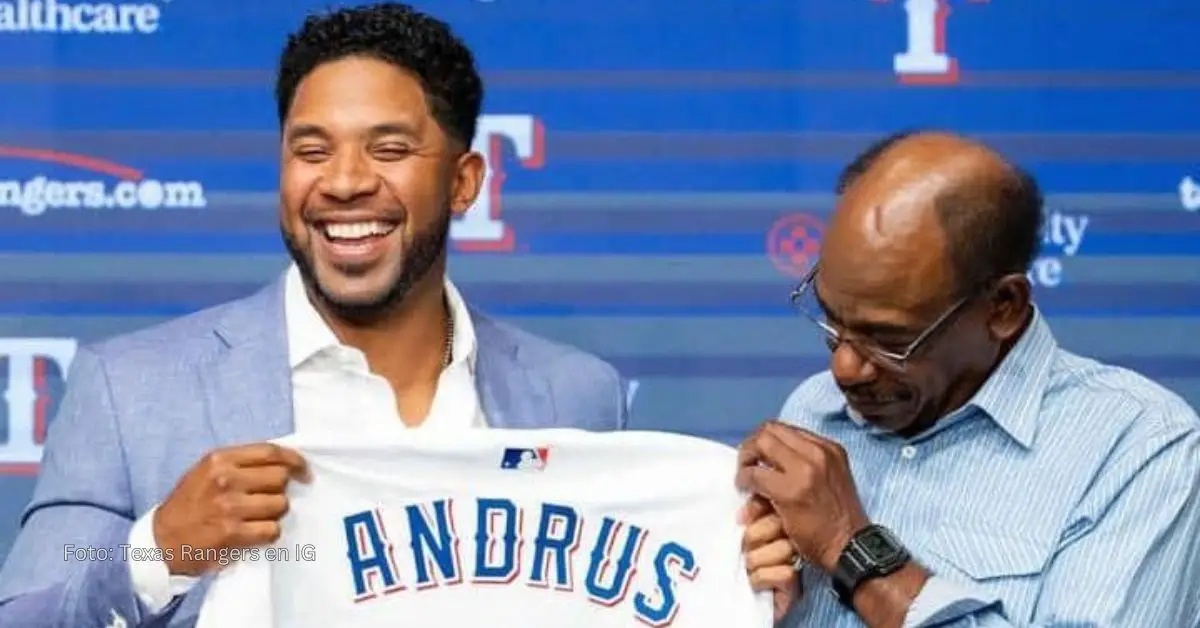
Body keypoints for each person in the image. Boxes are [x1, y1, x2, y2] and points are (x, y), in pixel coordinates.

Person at [0, 4, 797, 626]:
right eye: (311, 151)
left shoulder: (574, 393)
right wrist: (163, 548)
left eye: (388, 150)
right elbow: (29, 612)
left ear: (464, 182)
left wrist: (727, 574)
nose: (344, 182)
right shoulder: (129, 386)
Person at [737, 130, 1200, 627]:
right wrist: (756, 608)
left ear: (1003, 308)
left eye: (890, 339)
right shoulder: (814, 410)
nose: (844, 368)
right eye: (831, 320)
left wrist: (853, 550)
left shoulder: (1142, 452)